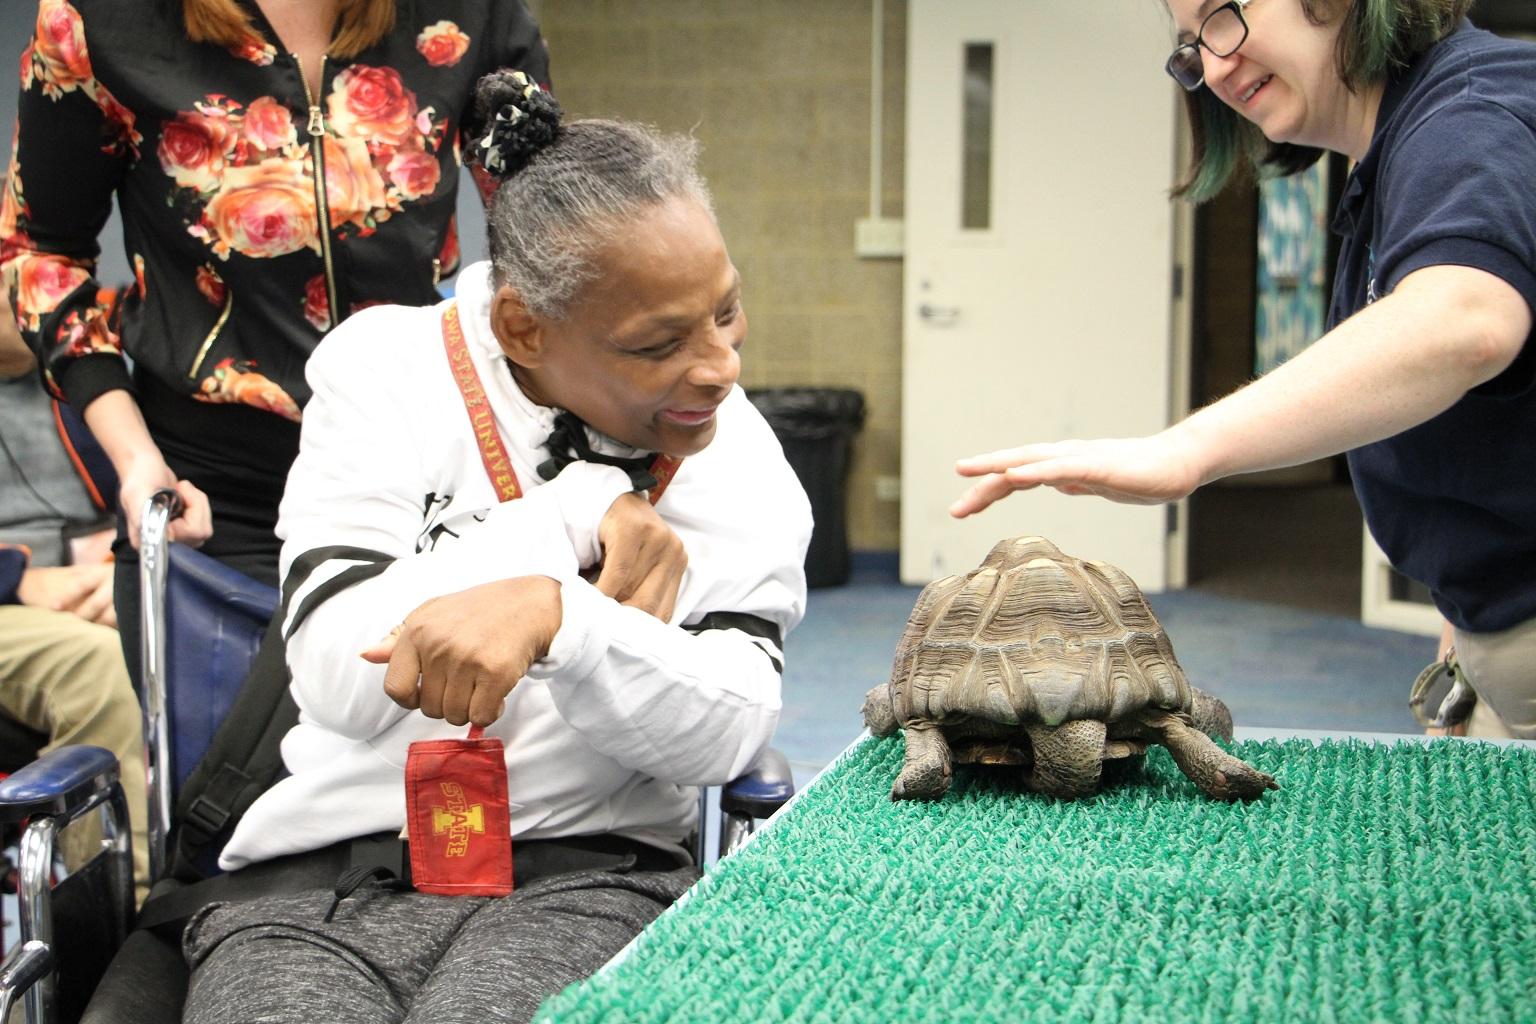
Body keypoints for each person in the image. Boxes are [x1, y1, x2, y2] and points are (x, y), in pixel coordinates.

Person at [172, 73, 812, 1024]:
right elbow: (342, 681)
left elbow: (727, 731)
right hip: (316, 887)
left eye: (725, 311)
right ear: (524, 326)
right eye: (657, 343)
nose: (719, 368)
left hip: (583, 874)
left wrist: (563, 619)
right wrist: (569, 514)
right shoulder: (385, 368)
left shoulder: (737, 453)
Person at [950, 0, 1534, 739]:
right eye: (1191, 44)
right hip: (1489, 649)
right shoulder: (1388, 160)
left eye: (1226, 13)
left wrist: (1184, 451)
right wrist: (1462, 603)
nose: (1213, 65)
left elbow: (1465, 320)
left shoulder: (1471, 112)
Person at [0, 0, 550, 676]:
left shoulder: (467, 11)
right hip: (207, 492)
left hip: (423, 477)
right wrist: (134, 458)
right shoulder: (104, 20)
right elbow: (43, 255)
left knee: (426, 765)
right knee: (232, 770)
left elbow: (547, 238)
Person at [0, 286, 150, 904]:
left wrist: (129, 570)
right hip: (18, 602)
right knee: (95, 667)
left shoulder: (100, 361)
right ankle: (126, 923)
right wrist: (22, 578)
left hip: (107, 585)